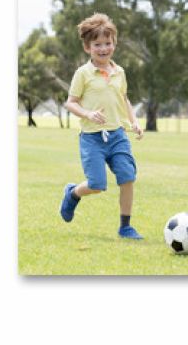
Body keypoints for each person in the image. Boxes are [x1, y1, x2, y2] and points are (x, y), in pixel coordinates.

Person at [60, 13, 144, 239]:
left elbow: (123, 98)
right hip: (91, 138)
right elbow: (70, 102)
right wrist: (87, 113)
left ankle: (125, 226)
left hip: (117, 135)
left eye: (108, 43)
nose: (104, 48)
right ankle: (73, 194)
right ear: (88, 47)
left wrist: (134, 122)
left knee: (127, 176)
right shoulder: (83, 73)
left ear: (114, 44)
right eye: (97, 44)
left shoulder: (120, 72)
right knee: (97, 184)